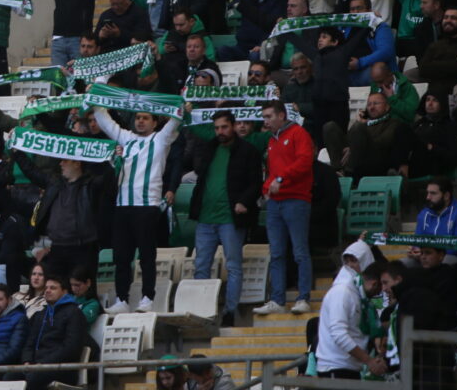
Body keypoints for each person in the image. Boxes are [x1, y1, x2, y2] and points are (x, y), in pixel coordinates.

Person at [91, 92, 180, 315]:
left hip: (147, 206)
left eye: (146, 117)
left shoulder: (160, 139)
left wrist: (182, 100)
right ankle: (122, 299)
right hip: (122, 207)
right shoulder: (125, 138)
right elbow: (103, 119)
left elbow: (177, 116)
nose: (140, 120)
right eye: (138, 117)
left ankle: (147, 298)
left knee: (147, 256)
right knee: (121, 257)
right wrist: (98, 90)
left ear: (155, 121)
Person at [187, 110, 261, 327]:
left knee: (234, 265)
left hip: (231, 218)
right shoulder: (209, 148)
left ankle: (230, 311)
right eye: (217, 128)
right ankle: (202, 312)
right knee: (201, 265)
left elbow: (256, 182)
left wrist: (244, 202)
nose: (220, 132)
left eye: (224, 127)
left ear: (233, 126)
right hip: (206, 216)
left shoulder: (248, 151)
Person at [255, 101, 315, 315]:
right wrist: (266, 187)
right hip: (276, 202)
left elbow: (305, 161)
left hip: (296, 200)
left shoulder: (298, 133)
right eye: (264, 117)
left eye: (269, 116)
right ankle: (278, 300)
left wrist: (281, 178)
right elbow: (272, 171)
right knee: (277, 253)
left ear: (281, 115)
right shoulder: (272, 141)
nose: (266, 121)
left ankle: (303, 297)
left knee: (299, 251)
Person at [316, 242, 387, 390]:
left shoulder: (356, 293)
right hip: (336, 368)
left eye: (355, 260)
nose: (351, 265)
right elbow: (339, 334)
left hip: (349, 368)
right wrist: (369, 361)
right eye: (348, 260)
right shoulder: (343, 292)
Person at [20, 273, 88, 390]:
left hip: (62, 368)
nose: (48, 291)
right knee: (10, 376)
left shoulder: (74, 313)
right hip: (37, 365)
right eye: (46, 288)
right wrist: (27, 361)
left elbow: (71, 348)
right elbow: (29, 343)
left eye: (53, 288)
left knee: (33, 379)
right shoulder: (40, 314)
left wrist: (45, 364)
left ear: (64, 291)